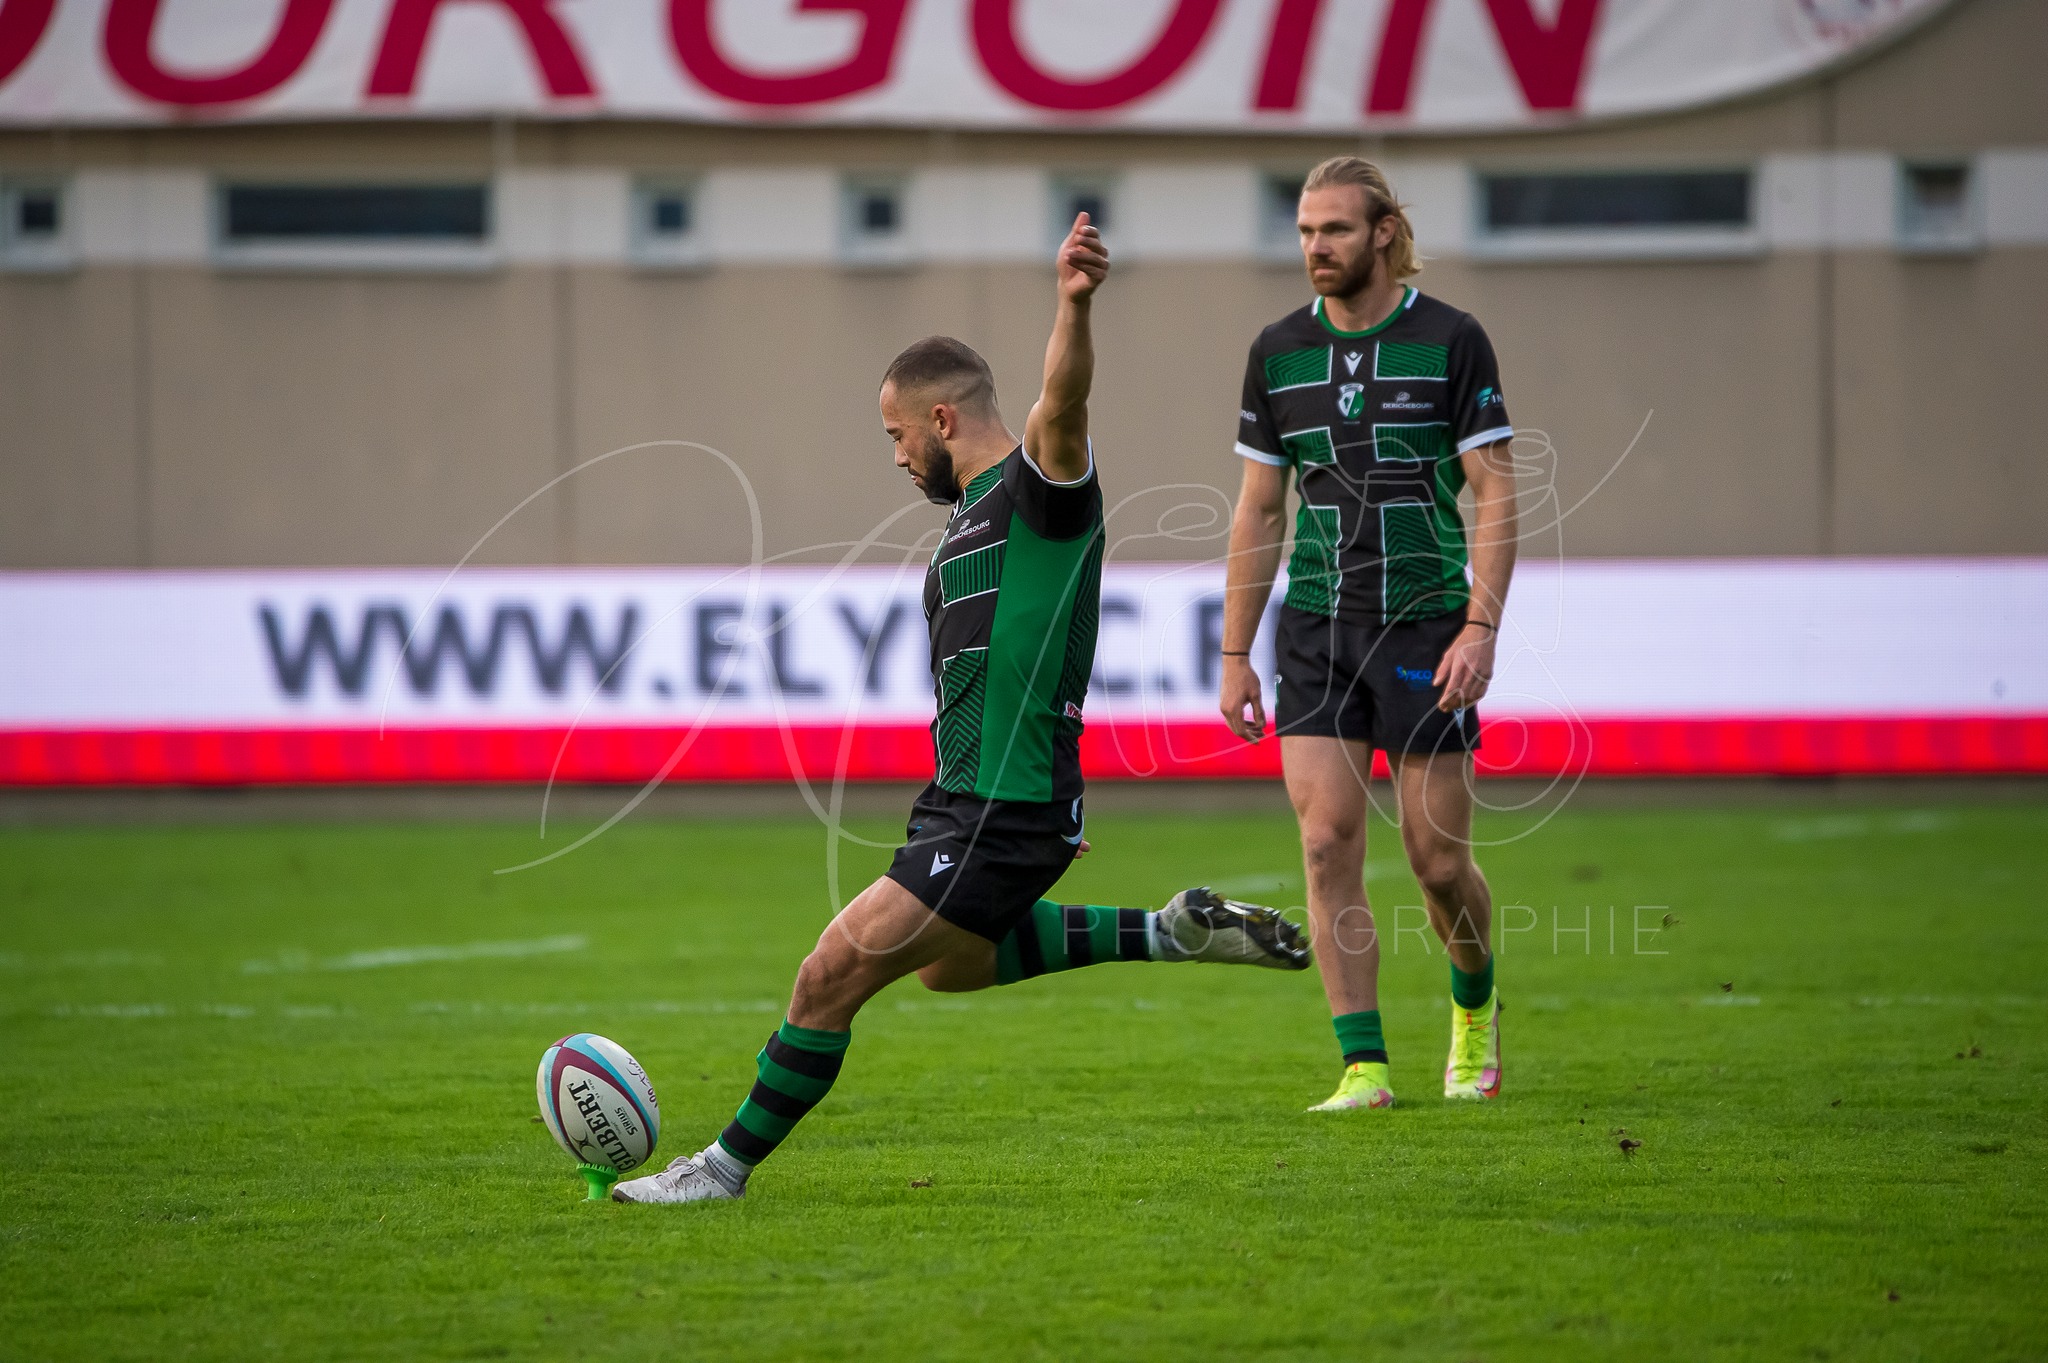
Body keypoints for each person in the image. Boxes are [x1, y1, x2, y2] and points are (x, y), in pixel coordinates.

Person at [614, 214, 1310, 1204]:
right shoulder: (965, 526)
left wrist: (1072, 304)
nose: (896, 457)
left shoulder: (1037, 491)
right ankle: (1169, 931)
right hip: (971, 800)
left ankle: (718, 1172)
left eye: (896, 435)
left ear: (941, 419)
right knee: (949, 968)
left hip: (1002, 807)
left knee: (827, 974)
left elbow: (1063, 401)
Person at [1217, 157, 1520, 1111]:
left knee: (1438, 862)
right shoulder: (1277, 351)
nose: (1317, 247)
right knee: (1325, 846)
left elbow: (1495, 489)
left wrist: (1481, 626)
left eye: (1336, 230)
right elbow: (1260, 507)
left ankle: (1474, 1004)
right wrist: (1234, 652)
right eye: (1307, 231)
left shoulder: (1451, 339)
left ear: (1384, 232)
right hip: (1316, 626)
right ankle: (1364, 1066)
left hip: (1426, 622)